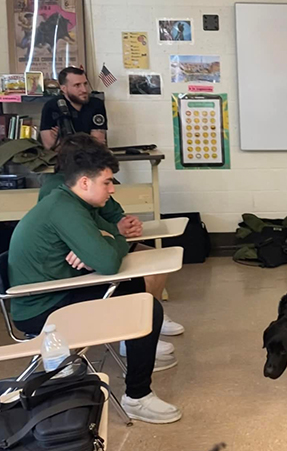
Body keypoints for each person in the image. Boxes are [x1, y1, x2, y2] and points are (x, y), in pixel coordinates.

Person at [7, 134, 182, 424]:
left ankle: (133, 354)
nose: (112, 189)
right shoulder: (65, 208)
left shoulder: (76, 202)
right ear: (85, 182)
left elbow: (111, 239)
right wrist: (108, 242)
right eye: (107, 182)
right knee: (147, 307)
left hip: (52, 291)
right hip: (40, 307)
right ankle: (137, 397)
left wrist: (107, 240)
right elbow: (109, 261)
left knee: (135, 288)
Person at [37, 141, 186, 354]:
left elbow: (113, 215)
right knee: (134, 280)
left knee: (156, 260)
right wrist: (112, 234)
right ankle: (133, 335)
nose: (111, 188)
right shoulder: (60, 193)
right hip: (77, 260)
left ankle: (151, 321)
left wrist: (124, 224)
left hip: (101, 244)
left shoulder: (91, 187)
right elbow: (78, 235)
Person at [39, 67, 108, 151]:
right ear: (64, 89)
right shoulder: (51, 106)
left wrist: (63, 140)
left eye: (85, 84)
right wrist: (88, 140)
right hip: (62, 158)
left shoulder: (96, 104)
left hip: (91, 158)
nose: (84, 90)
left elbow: (97, 144)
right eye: (77, 85)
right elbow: (49, 145)